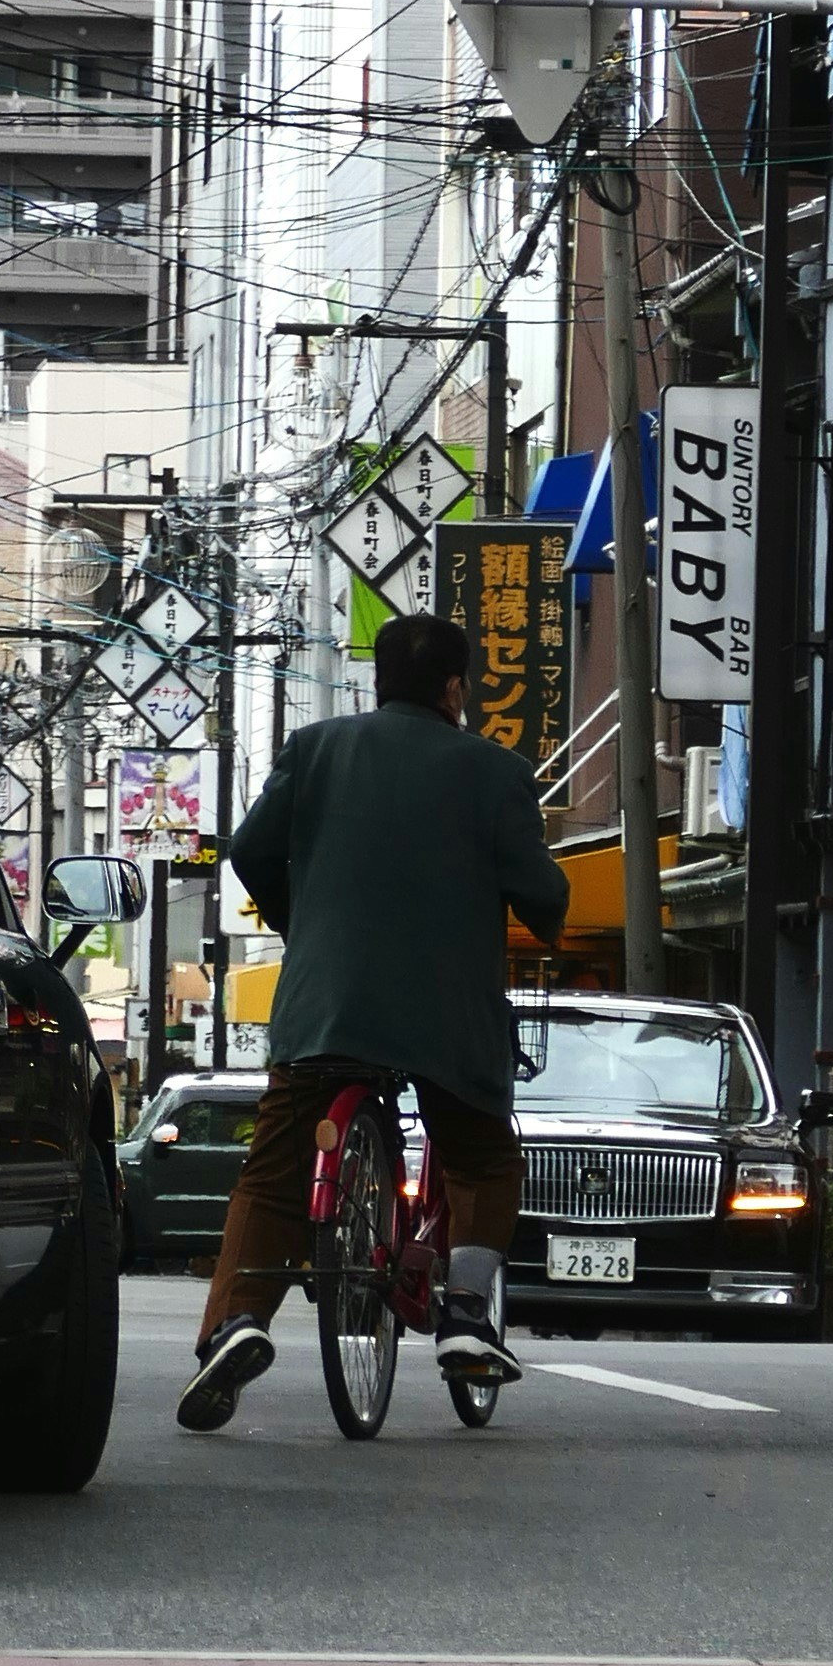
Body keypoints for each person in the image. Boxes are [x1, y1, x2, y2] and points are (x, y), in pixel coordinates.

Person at [178, 605, 566, 1432]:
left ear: (379, 681)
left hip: (330, 1003)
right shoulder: (493, 772)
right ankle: (465, 1309)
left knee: (278, 1165)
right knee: (482, 1152)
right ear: (457, 688)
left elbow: (249, 848)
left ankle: (234, 1321)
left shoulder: (314, 750)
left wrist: (301, 923)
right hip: (447, 1017)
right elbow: (545, 897)